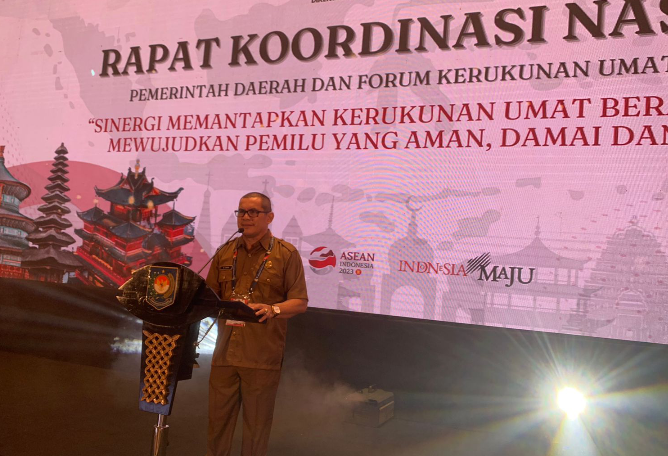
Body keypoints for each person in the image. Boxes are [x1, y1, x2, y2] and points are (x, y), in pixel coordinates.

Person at [205, 192, 308, 456]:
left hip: (261, 356)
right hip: (225, 354)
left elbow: (300, 302)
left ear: (269, 217)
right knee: (217, 427)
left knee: (256, 430)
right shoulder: (224, 252)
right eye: (241, 212)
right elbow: (208, 298)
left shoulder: (286, 254)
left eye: (253, 212)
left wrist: (273, 309)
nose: (246, 217)